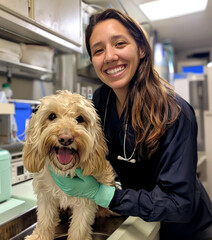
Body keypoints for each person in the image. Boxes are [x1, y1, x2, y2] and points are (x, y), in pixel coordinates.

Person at [49, 9, 212, 240]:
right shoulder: (101, 101)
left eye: (119, 43)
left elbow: (179, 203)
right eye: (98, 50)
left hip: (186, 229)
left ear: (142, 49)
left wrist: (105, 196)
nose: (109, 56)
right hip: (140, 217)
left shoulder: (175, 112)